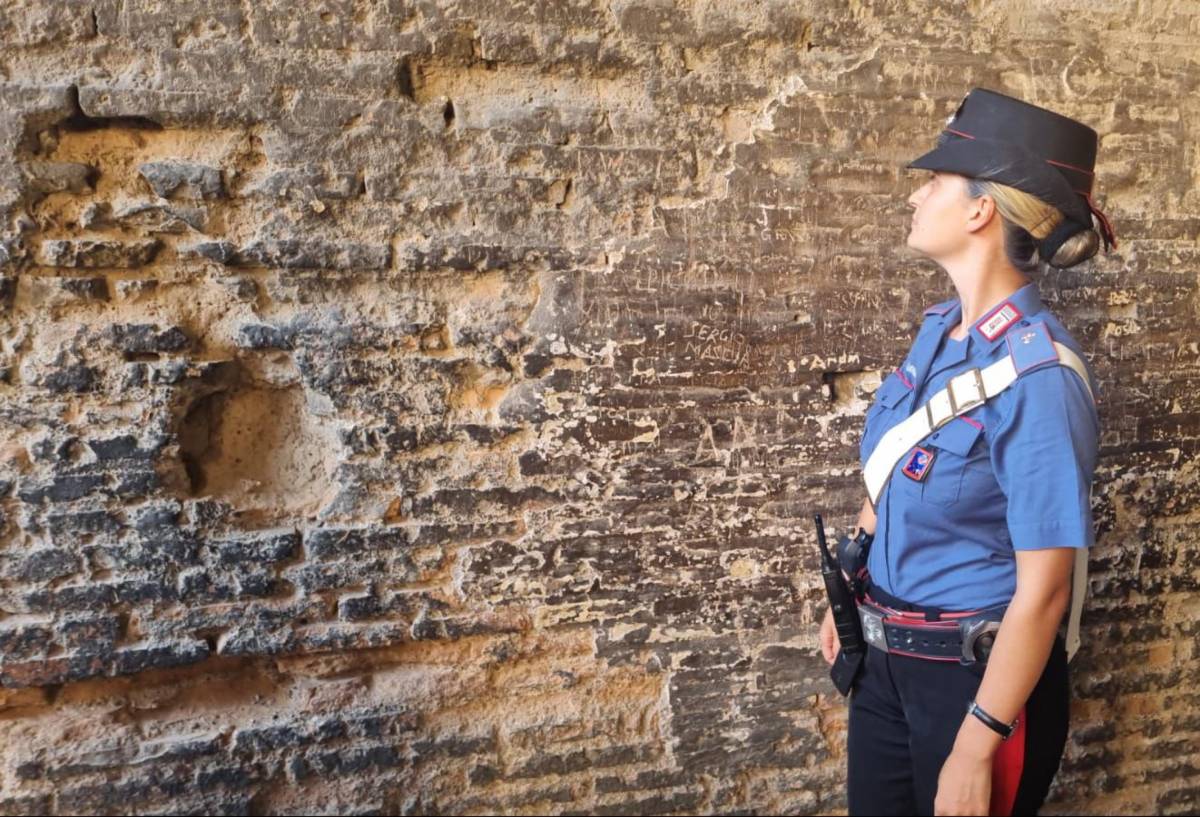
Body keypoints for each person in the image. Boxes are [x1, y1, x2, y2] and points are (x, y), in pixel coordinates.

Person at [818, 88, 1119, 816]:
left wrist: (979, 739)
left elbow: (1045, 588)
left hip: (975, 684)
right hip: (885, 664)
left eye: (935, 181)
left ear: (982, 209)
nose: (915, 195)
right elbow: (893, 466)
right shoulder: (941, 331)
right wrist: (853, 577)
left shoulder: (1040, 377)